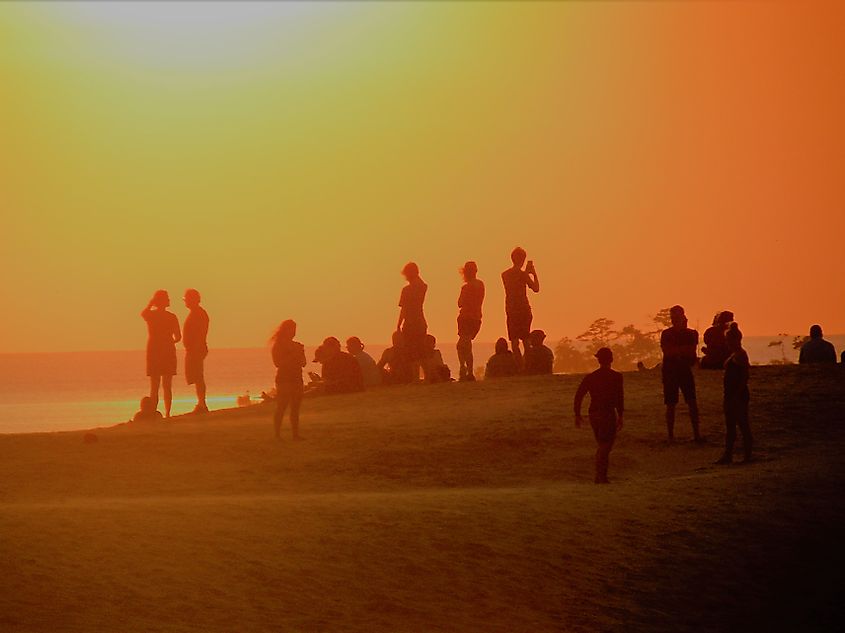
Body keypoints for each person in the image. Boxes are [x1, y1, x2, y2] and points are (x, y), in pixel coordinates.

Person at [574, 347, 624, 484]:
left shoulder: (591, 377)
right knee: (606, 445)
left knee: (602, 444)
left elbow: (579, 396)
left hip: (594, 413)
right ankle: (600, 475)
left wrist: (577, 414)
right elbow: (619, 397)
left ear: (598, 360)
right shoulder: (616, 377)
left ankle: (601, 475)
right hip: (607, 412)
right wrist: (620, 415)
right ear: (611, 360)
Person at [660, 305, 702, 442]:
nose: (673, 320)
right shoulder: (667, 334)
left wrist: (677, 351)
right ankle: (671, 435)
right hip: (671, 371)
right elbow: (669, 351)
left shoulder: (690, 334)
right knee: (671, 404)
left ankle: (696, 434)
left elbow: (690, 352)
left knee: (691, 401)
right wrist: (682, 351)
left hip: (681, 370)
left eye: (676, 317)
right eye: (672, 317)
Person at [715, 323, 753, 464]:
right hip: (731, 394)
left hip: (737, 395)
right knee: (731, 425)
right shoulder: (735, 354)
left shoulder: (741, 355)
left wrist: (737, 393)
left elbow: (744, 376)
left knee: (742, 425)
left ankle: (747, 455)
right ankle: (728, 454)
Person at [141, 290, 181, 418]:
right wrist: (170, 341)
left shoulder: (151, 316)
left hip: (154, 351)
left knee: (154, 386)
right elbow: (178, 337)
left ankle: (153, 412)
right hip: (167, 350)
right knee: (167, 385)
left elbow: (143, 313)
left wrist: (150, 303)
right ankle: (168, 412)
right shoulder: (172, 317)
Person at [501, 247, 540, 368]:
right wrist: (533, 274)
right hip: (523, 308)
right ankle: (528, 366)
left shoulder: (505, 275)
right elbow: (536, 288)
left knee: (514, 341)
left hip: (511, 309)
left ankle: (520, 367)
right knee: (526, 340)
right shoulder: (523, 275)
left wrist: (525, 274)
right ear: (523, 260)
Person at [270, 319, 306, 440]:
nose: (293, 332)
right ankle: (277, 434)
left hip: (296, 377)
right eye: (291, 329)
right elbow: (278, 363)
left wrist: (300, 353)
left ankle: (295, 434)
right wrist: (293, 355)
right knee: (282, 406)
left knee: (295, 407)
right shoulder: (278, 345)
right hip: (284, 378)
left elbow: (303, 363)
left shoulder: (297, 345)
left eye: (295, 329)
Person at [397, 262, 428, 378]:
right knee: (421, 350)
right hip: (420, 321)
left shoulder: (407, 290)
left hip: (411, 322)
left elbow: (403, 309)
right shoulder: (422, 287)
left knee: (412, 351)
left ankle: (415, 377)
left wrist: (398, 324)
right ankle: (426, 376)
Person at [182, 288, 210, 414]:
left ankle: (202, 403)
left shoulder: (199, 313)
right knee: (196, 376)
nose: (185, 302)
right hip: (193, 348)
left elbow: (201, 332)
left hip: (196, 349)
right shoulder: (195, 313)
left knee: (198, 376)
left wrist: (196, 347)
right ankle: (201, 403)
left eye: (187, 299)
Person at [456, 261, 485, 381]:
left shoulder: (467, 287)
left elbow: (460, 303)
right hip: (476, 318)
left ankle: (465, 368)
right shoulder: (480, 285)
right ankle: (467, 370)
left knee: (462, 345)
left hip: (467, 318)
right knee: (466, 345)